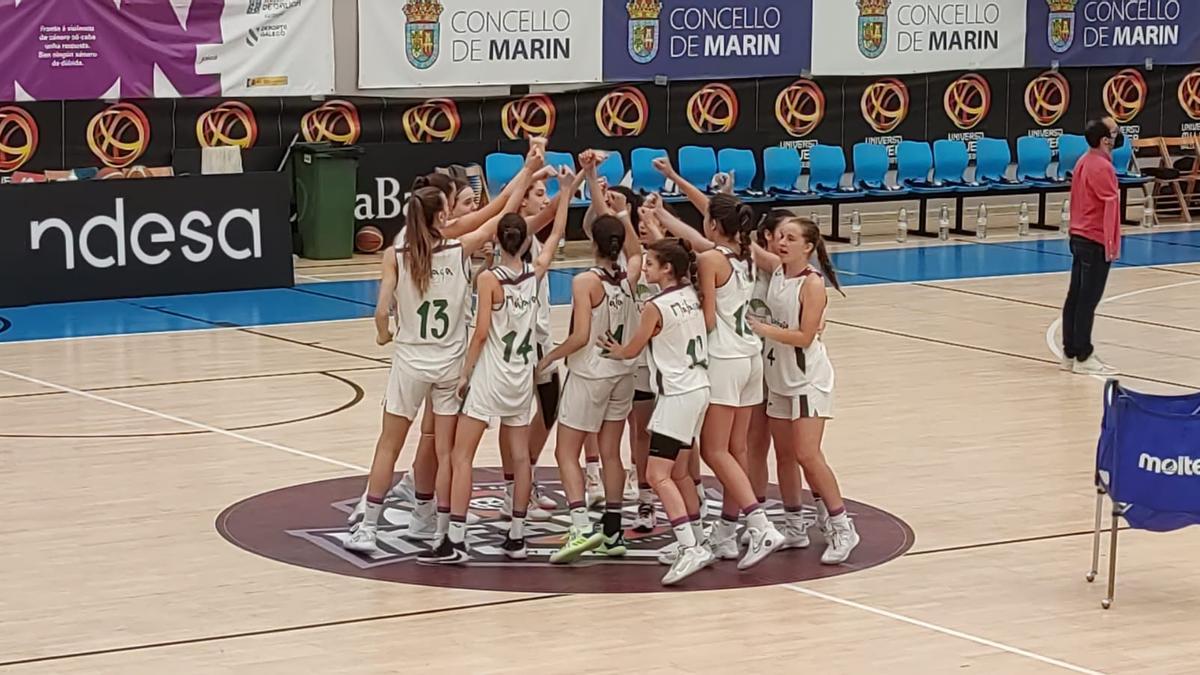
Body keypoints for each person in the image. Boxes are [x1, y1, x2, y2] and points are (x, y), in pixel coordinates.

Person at [344, 149, 540, 553]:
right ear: (441, 218)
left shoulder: (394, 254)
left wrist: (384, 335)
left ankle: (369, 525)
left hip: (411, 362)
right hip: (450, 363)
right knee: (446, 449)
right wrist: (529, 168)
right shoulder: (459, 249)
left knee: (388, 445)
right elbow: (501, 208)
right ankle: (436, 523)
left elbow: (381, 311)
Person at [419, 167, 580, 564]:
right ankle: (518, 535)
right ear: (525, 241)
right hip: (522, 379)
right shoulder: (535, 274)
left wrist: (464, 375)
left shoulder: (489, 279)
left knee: (460, 455)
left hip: (491, 376)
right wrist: (567, 191)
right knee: (521, 457)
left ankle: (454, 538)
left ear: (498, 241)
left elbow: (480, 335)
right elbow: (556, 235)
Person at [648, 194, 786, 568]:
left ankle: (760, 526)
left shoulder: (711, 260)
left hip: (724, 358)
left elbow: (708, 319)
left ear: (713, 224)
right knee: (735, 450)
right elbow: (697, 240)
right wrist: (661, 216)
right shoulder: (748, 255)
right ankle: (726, 532)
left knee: (714, 451)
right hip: (751, 358)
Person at [599, 238, 713, 585]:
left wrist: (615, 349)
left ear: (667, 269)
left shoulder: (655, 306)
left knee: (658, 474)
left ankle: (690, 546)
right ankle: (697, 537)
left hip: (679, 395)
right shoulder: (691, 294)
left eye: (650, 264)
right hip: (699, 388)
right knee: (679, 473)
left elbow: (633, 350)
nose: (645, 268)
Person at [748, 217, 860, 565]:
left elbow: (804, 336)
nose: (782, 242)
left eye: (791, 238)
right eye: (781, 236)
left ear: (808, 247)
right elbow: (734, 241)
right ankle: (795, 525)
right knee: (783, 455)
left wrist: (763, 329)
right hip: (778, 376)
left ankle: (842, 526)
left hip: (807, 379)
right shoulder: (777, 269)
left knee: (807, 454)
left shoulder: (811, 285)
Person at [536, 204, 641, 564]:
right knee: (611, 452)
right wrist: (625, 217)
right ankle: (613, 530)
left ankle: (580, 526)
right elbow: (638, 251)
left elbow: (580, 336)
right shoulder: (630, 276)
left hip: (589, 374)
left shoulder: (585, 282)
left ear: (591, 243)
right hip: (623, 372)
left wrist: (550, 357)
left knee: (565, 451)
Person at [1061, 117, 1123, 376]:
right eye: (1114, 131)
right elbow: (1110, 207)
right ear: (1104, 140)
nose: (1119, 134)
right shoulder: (1101, 167)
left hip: (1079, 235)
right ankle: (1083, 354)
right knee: (1087, 299)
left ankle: (1070, 351)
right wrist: (1111, 244)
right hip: (1095, 238)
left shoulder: (1084, 161)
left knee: (1075, 296)